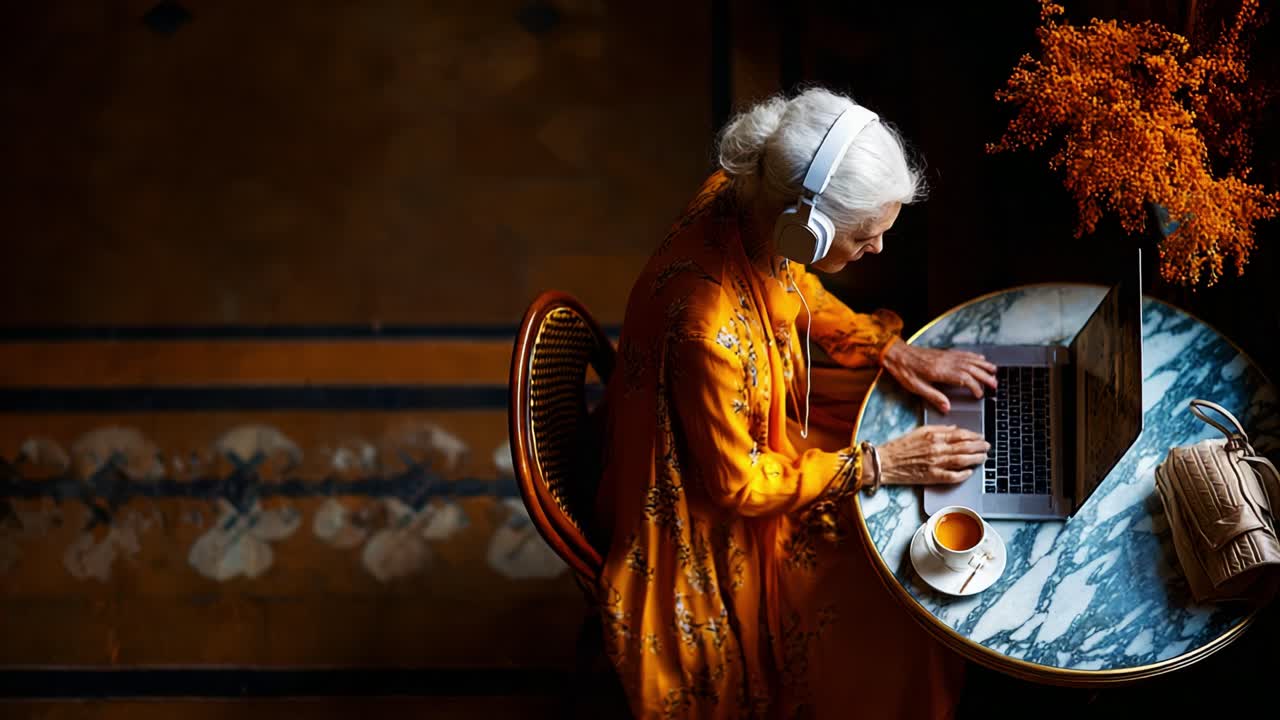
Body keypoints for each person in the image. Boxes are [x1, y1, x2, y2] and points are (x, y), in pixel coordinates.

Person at [593, 86, 997, 719]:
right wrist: (880, 465)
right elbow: (738, 487)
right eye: (866, 237)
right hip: (714, 510)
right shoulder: (708, 328)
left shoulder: (751, 196)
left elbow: (790, 283)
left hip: (751, 419)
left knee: (905, 419)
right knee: (907, 606)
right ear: (804, 231)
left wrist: (888, 349)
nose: (878, 250)